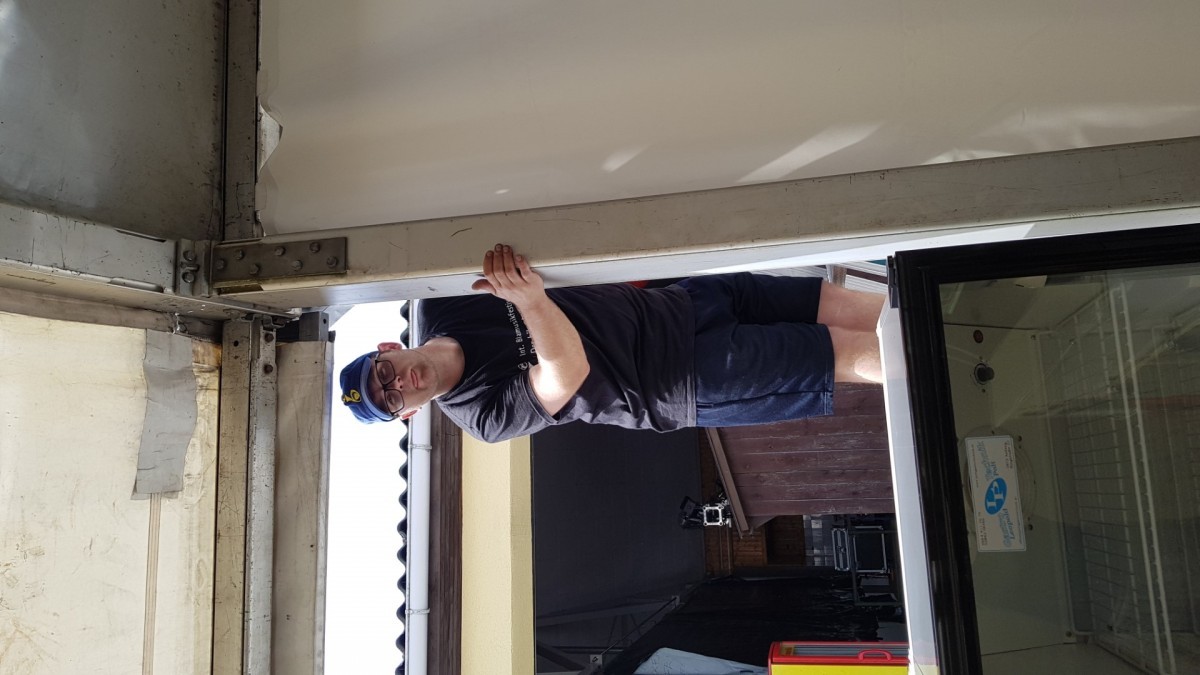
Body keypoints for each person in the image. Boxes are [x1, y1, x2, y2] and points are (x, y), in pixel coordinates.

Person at [340, 244, 884, 443]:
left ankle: (936, 304)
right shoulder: (481, 415)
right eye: (392, 400)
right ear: (409, 414)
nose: (399, 384)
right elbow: (567, 373)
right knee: (844, 352)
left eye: (384, 374)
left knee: (841, 303)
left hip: (682, 300)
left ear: (388, 347)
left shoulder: (440, 301)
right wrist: (530, 301)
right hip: (683, 376)